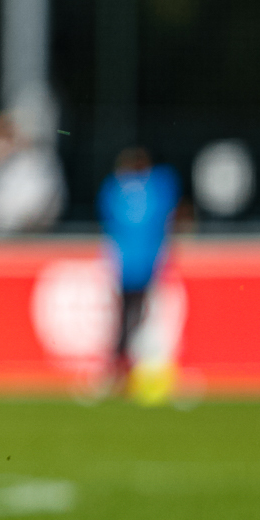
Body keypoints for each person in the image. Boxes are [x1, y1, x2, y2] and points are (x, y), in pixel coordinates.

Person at [98, 146, 181, 386]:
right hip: (149, 265)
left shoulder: (117, 188)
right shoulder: (158, 186)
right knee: (143, 319)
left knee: (126, 319)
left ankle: (124, 370)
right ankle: (139, 369)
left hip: (127, 266)